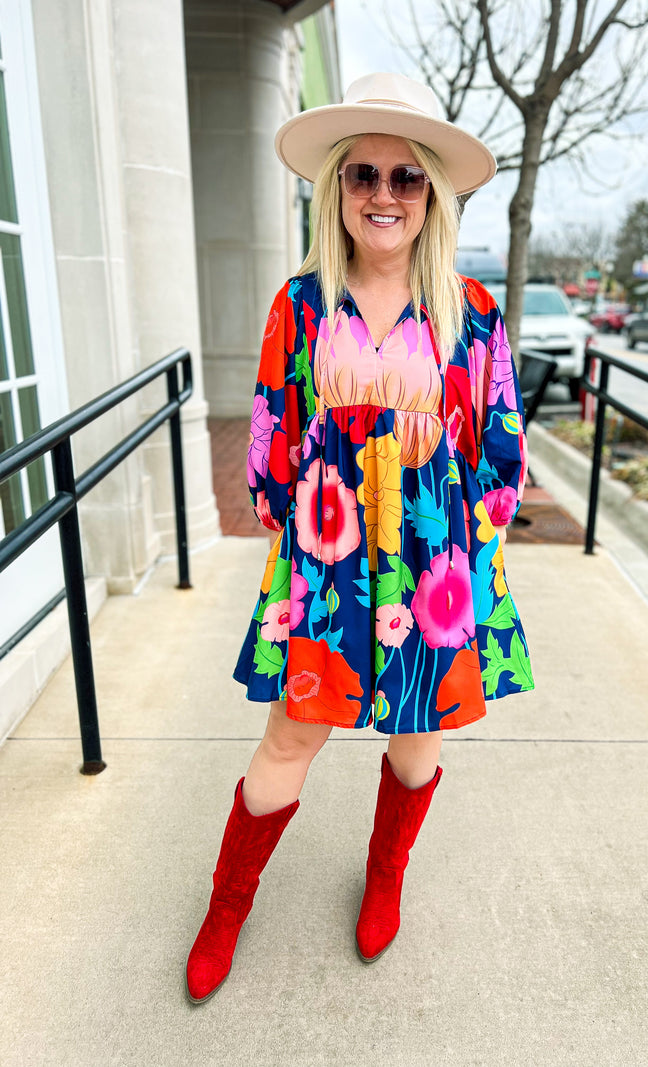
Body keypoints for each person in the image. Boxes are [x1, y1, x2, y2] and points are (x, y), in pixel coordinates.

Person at [185, 72, 534, 1005]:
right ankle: (226, 905)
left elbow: (501, 445)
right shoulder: (299, 304)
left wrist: (477, 539)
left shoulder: (474, 312)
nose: (384, 194)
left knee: (417, 738)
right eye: (364, 175)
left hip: (433, 569)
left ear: (432, 198)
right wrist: (296, 523)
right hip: (329, 558)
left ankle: (385, 876)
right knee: (291, 739)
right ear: (336, 188)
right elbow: (270, 436)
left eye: (407, 178)